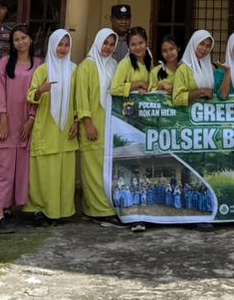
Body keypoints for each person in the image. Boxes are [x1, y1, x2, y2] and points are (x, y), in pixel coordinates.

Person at [0, 26, 41, 232]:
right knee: (2, 167)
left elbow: (38, 94)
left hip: (26, 122)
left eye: (24, 38)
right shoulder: (4, 63)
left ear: (30, 40)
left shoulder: (38, 64)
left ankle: (13, 208)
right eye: (16, 39)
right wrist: (2, 118)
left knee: (21, 168)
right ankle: (0, 213)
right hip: (5, 122)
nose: (20, 42)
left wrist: (31, 119)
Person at [27, 28, 79, 223]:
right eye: (60, 44)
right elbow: (31, 96)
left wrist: (77, 121)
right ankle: (43, 210)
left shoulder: (74, 69)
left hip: (66, 130)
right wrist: (41, 90)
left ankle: (62, 211)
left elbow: (78, 98)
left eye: (67, 45)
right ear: (52, 45)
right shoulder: (42, 70)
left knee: (64, 174)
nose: (63, 48)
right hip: (46, 128)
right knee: (45, 172)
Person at [74, 28, 119, 224]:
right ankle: (96, 210)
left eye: (111, 44)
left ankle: (107, 207)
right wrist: (87, 122)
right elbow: (81, 97)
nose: (107, 48)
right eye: (105, 43)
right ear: (97, 42)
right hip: (92, 124)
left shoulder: (114, 64)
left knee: (106, 169)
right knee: (92, 169)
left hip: (109, 124)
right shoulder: (86, 66)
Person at [171, 30, 216, 106]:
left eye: (208, 46)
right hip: (188, 116)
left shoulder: (211, 68)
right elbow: (177, 99)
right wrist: (200, 92)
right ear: (194, 43)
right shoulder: (183, 69)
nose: (204, 49)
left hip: (208, 114)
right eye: (201, 44)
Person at [111, 27, 154, 97]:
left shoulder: (149, 61)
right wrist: (138, 84)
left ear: (146, 43)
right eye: (133, 44)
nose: (138, 47)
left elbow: (151, 85)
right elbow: (114, 89)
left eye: (141, 43)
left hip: (146, 105)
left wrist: (146, 89)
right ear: (129, 47)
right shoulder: (125, 64)